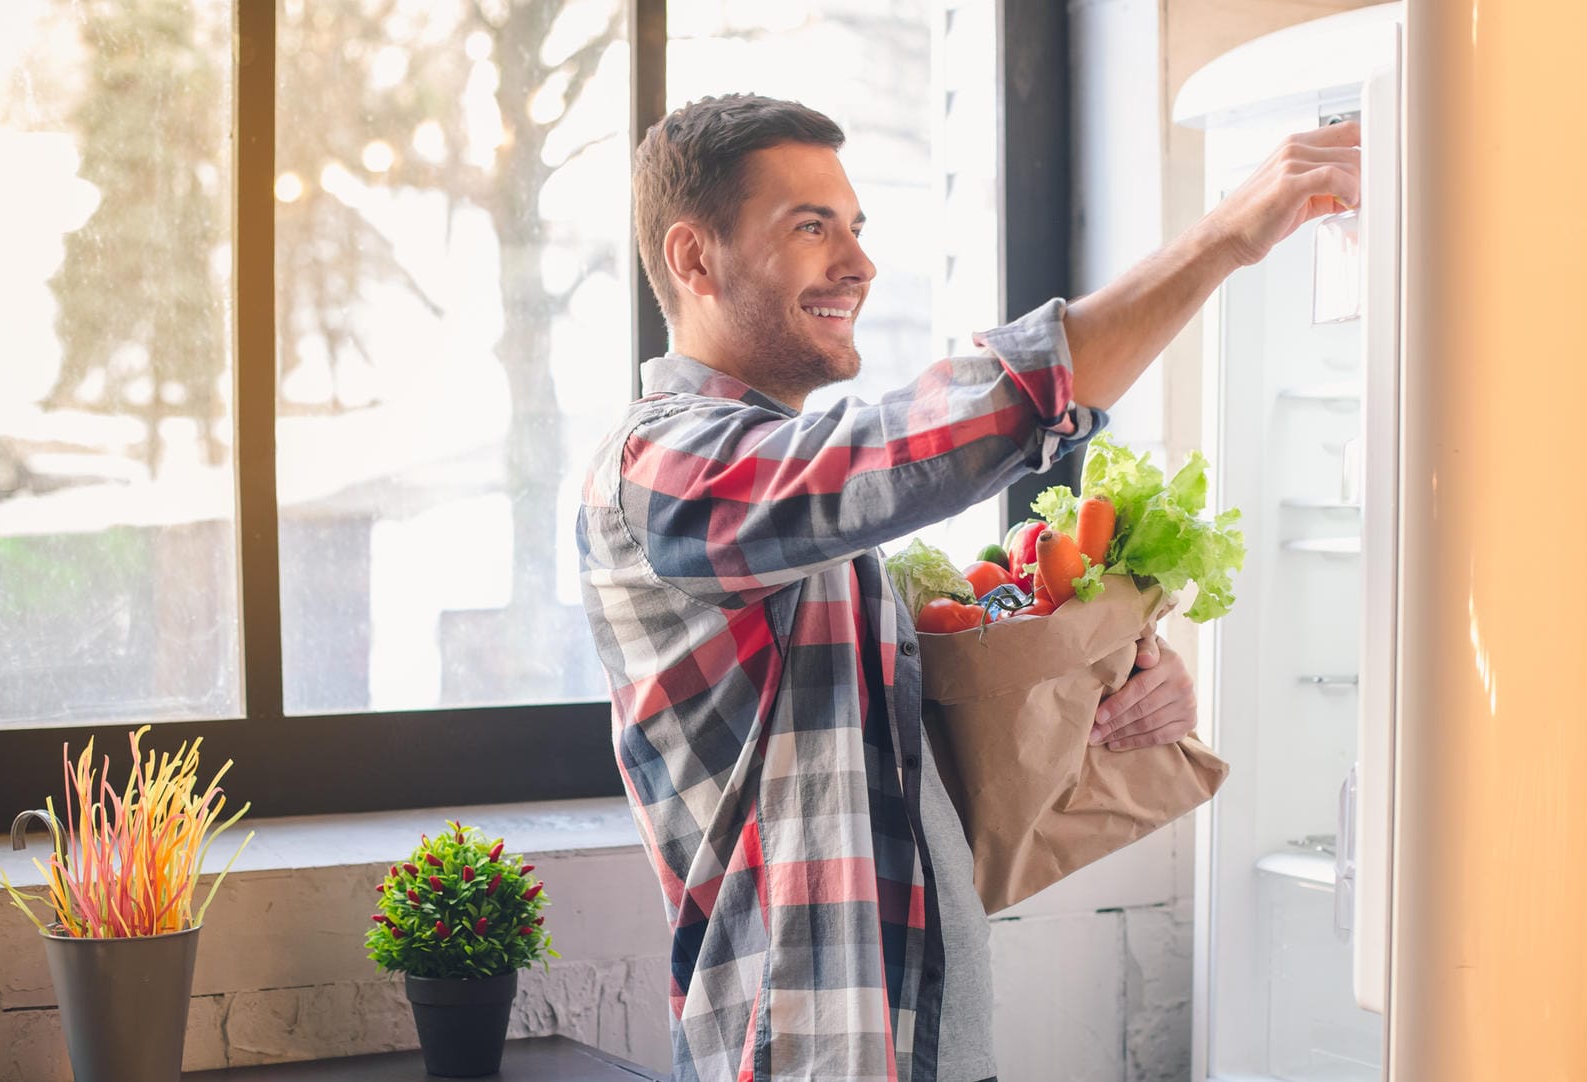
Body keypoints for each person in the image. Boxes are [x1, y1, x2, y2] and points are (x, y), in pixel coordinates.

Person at [577, 93, 1359, 1082]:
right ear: (694, 259)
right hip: (809, 1055)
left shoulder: (782, 504)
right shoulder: (667, 469)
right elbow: (921, 444)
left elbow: (919, 769)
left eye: (855, 227)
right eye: (811, 227)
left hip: (922, 1040)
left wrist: (1110, 688)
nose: (857, 263)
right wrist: (1222, 238)